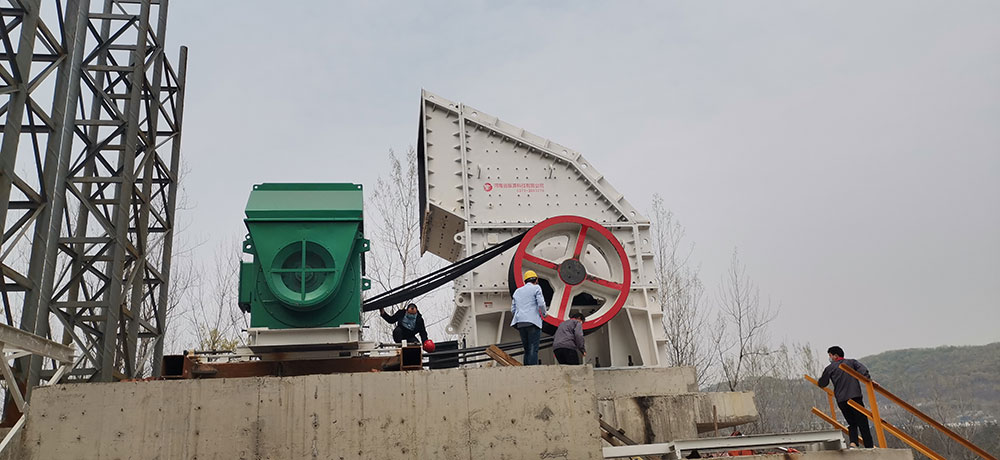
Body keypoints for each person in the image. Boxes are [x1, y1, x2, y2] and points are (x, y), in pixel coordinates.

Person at [818, 345, 874, 448]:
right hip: (855, 397)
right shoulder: (852, 362)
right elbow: (863, 371)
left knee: (851, 423)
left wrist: (821, 381)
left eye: (830, 355)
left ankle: (853, 443)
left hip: (841, 400)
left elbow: (822, 383)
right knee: (863, 423)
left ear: (835, 356)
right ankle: (869, 446)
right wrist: (869, 380)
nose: (830, 358)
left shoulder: (830, 368)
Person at [510, 270, 547, 365]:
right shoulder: (536, 288)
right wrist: (544, 314)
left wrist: (520, 316)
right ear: (536, 280)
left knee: (526, 349)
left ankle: (526, 368)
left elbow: (513, 309)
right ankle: (532, 368)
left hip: (520, 323)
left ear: (525, 281)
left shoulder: (517, 291)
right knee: (533, 348)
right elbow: (541, 304)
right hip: (533, 322)